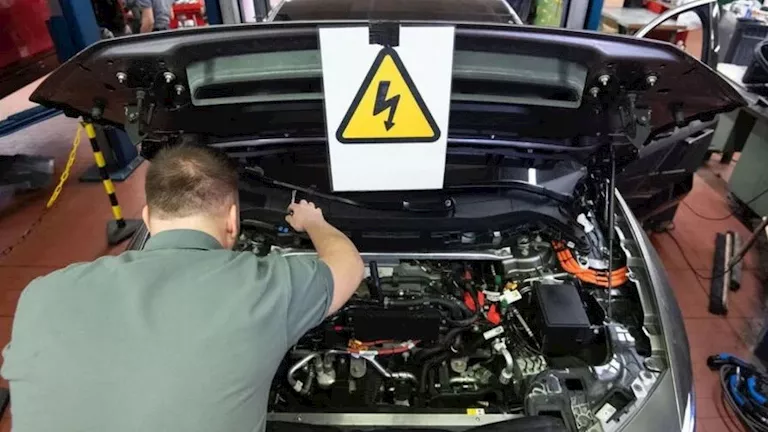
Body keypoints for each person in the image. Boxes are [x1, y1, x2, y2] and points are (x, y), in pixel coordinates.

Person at [1, 145, 365, 432]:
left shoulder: (41, 294)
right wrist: (313, 221)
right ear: (233, 220)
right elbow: (349, 267)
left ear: (147, 217)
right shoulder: (264, 288)